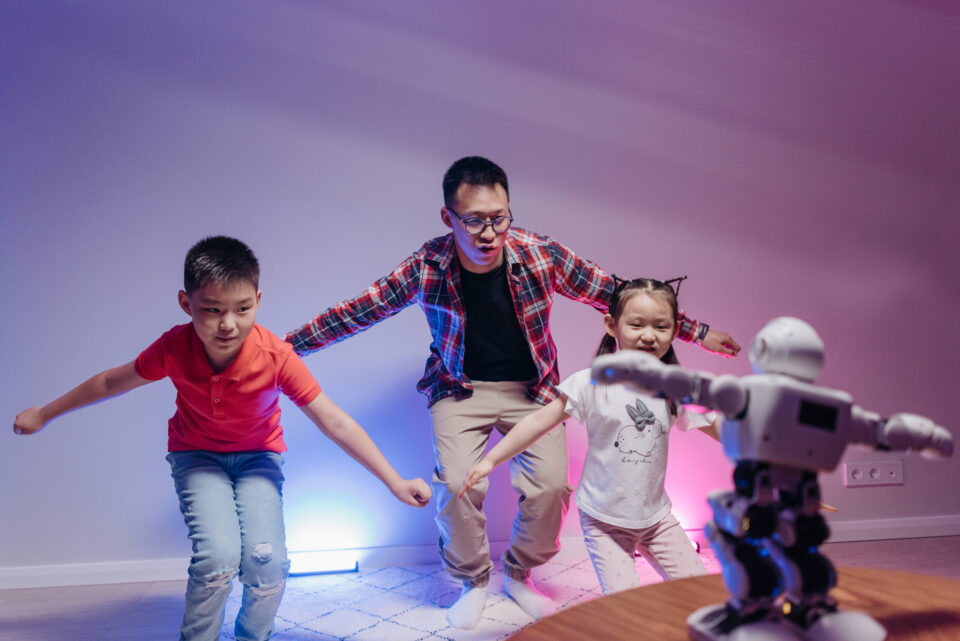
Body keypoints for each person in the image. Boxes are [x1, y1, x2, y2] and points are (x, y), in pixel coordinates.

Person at [285, 156, 740, 629]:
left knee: (550, 488)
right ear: (449, 218)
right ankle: (474, 580)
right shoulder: (428, 265)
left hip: (534, 389)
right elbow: (360, 309)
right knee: (459, 481)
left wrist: (697, 332)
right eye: (475, 220)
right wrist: (283, 348)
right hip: (459, 388)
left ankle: (520, 574)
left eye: (499, 218)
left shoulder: (538, 254)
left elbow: (617, 293)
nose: (488, 232)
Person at [13, 236, 431, 641]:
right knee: (218, 559)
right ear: (186, 303)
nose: (228, 324)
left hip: (259, 460)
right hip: (196, 458)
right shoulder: (174, 347)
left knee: (267, 566)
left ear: (258, 301)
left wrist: (394, 481)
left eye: (242, 309)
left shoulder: (276, 355)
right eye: (211, 310)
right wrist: (44, 413)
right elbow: (110, 382)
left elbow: (334, 421)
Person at [459, 277, 720, 595]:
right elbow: (539, 421)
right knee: (624, 608)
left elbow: (719, 428)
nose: (649, 336)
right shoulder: (590, 383)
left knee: (701, 595)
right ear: (612, 325)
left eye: (661, 327)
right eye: (637, 325)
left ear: (675, 330)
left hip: (655, 518)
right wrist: (491, 460)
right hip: (603, 522)